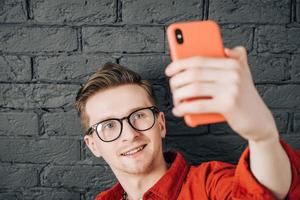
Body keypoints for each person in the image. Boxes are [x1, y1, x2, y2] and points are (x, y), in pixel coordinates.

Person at [75, 46, 300, 200]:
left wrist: (263, 137)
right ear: (93, 145)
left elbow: (264, 193)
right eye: (109, 125)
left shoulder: (210, 184)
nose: (129, 134)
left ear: (160, 124)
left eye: (139, 115)